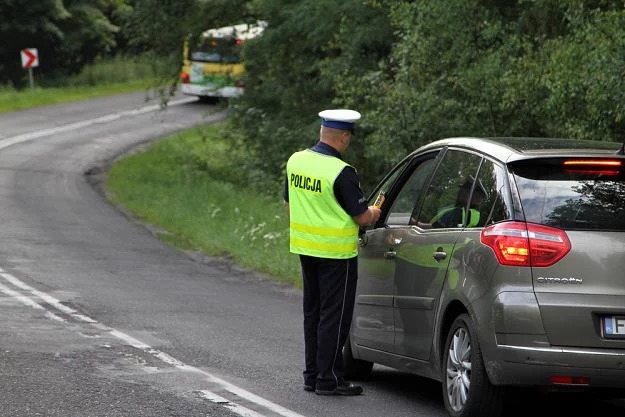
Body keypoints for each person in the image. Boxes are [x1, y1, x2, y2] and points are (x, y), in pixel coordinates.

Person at [283, 109, 381, 396]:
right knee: (334, 316)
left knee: (312, 312)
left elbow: (288, 205)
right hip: (337, 254)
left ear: (323, 132)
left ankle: (312, 375)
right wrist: (375, 212)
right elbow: (362, 217)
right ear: (344, 137)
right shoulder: (342, 172)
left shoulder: (296, 161)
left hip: (305, 248)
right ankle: (328, 379)